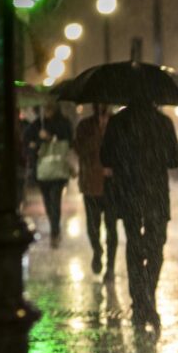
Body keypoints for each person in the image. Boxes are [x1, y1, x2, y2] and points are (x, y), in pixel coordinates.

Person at [100, 97, 178, 333]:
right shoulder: (163, 123)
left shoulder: (118, 122)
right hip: (155, 195)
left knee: (134, 247)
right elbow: (175, 160)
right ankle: (148, 298)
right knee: (155, 248)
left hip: (129, 194)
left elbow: (105, 158)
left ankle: (139, 304)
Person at [75, 103, 118, 280]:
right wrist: (98, 135)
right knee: (93, 227)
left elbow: (123, 149)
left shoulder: (117, 124)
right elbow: (79, 149)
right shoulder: (85, 126)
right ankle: (97, 250)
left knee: (111, 228)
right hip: (91, 184)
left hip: (113, 186)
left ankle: (110, 267)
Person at [25, 101, 73, 244]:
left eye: (50, 107)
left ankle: (55, 230)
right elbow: (27, 140)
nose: (47, 110)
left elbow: (68, 140)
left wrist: (52, 138)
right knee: (47, 201)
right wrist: (39, 139)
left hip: (58, 171)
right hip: (43, 171)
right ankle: (54, 225)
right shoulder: (38, 125)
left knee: (55, 199)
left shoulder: (63, 123)